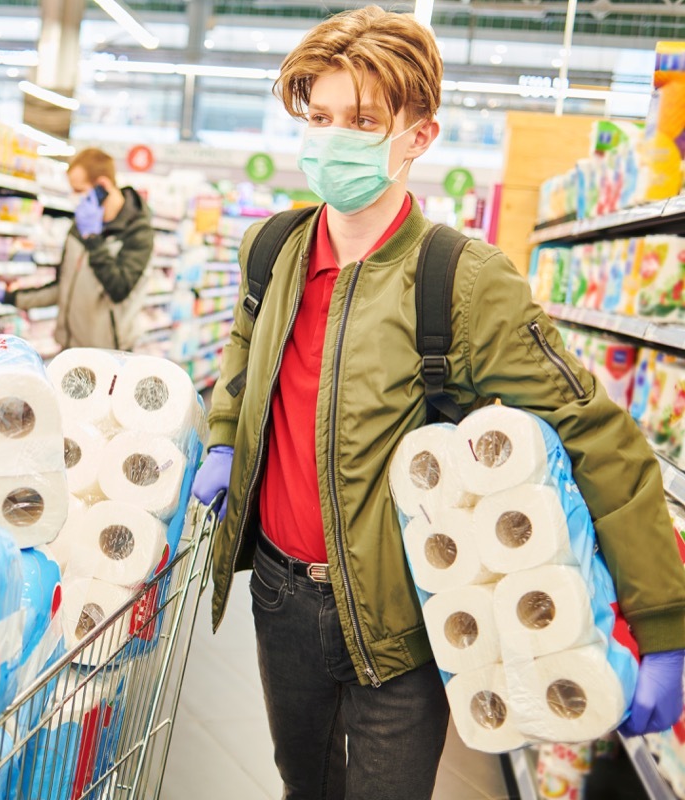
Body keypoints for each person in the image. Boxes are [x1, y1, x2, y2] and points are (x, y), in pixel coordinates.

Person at [189, 7, 685, 799]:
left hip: (404, 619)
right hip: (279, 596)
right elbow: (247, 352)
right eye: (318, 117)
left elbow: (594, 432)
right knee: (300, 784)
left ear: (418, 135)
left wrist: (664, 624)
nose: (331, 139)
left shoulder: (463, 279)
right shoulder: (272, 248)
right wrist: (223, 437)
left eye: (362, 120)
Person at [0, 148, 154, 350]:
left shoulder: (138, 232)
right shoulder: (79, 227)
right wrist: (8, 296)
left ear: (103, 187)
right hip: (69, 349)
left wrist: (93, 239)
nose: (74, 197)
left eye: (79, 190)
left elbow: (118, 288)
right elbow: (62, 285)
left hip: (109, 353)